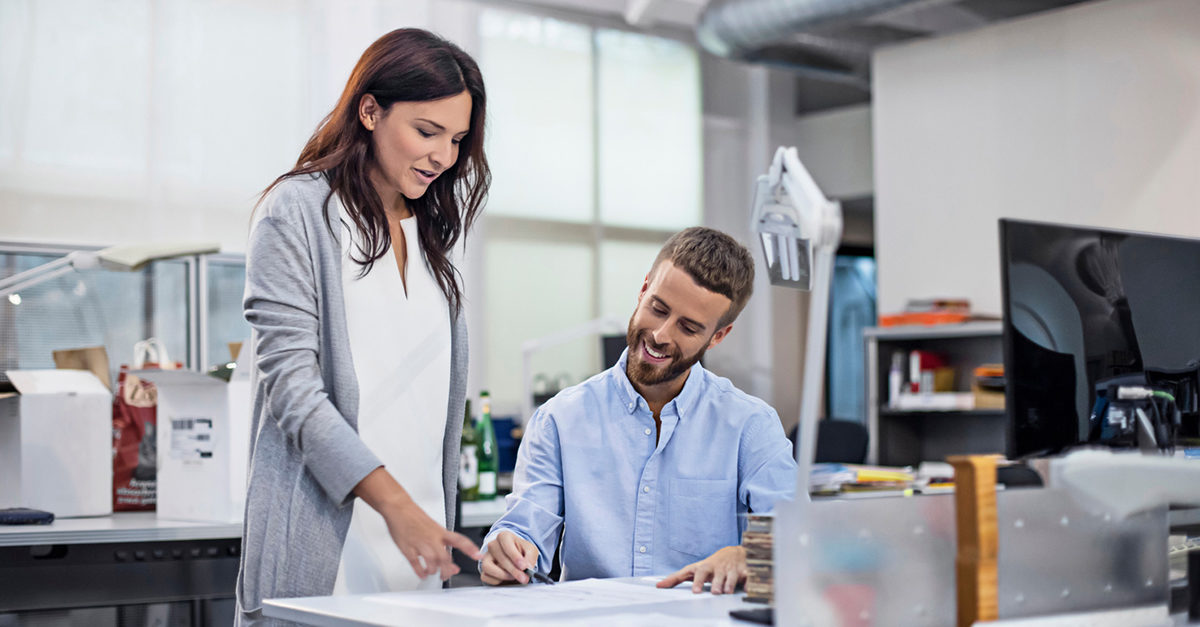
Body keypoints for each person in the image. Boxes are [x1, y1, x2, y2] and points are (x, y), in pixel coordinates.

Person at [236, 28, 489, 625]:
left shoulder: (431, 241)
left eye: (455, 140)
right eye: (426, 132)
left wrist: (422, 518)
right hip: (325, 556)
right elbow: (294, 394)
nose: (442, 157)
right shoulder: (296, 212)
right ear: (370, 110)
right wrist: (394, 505)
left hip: (417, 560)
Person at [480, 227, 797, 595]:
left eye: (689, 327)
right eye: (658, 308)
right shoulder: (560, 420)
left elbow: (799, 538)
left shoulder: (750, 426)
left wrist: (751, 554)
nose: (661, 334)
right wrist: (507, 551)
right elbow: (524, 529)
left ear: (718, 336)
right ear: (644, 289)